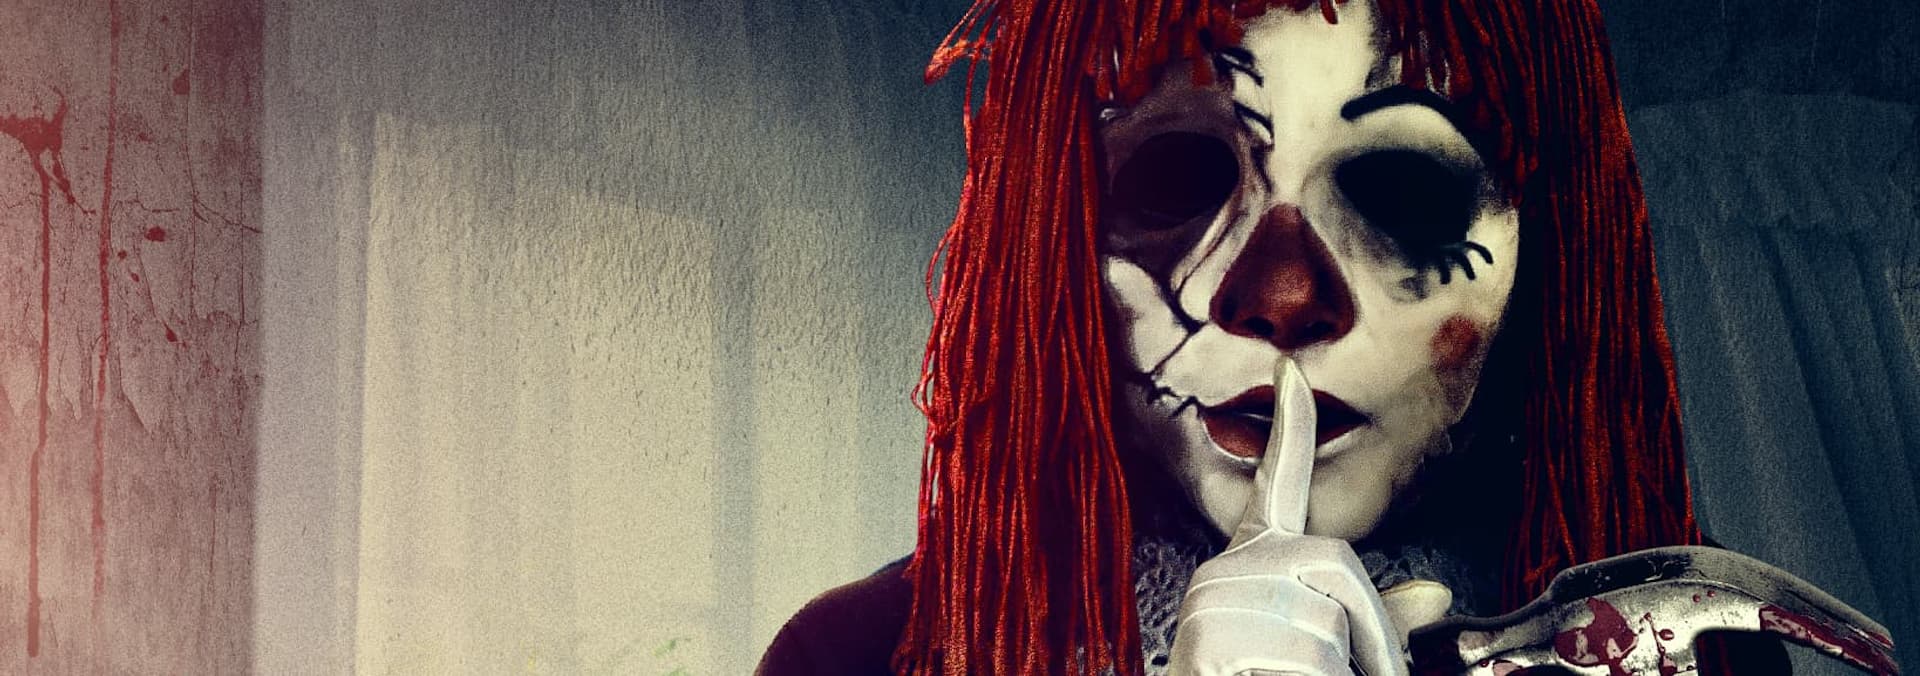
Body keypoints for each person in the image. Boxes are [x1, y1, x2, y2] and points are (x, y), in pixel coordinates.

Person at [763, 0, 1718, 673]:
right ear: (1045, 246)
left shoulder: (1679, 639)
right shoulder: (859, 656)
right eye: (1175, 176)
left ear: (1554, 248)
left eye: (1403, 189)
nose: (1284, 297)